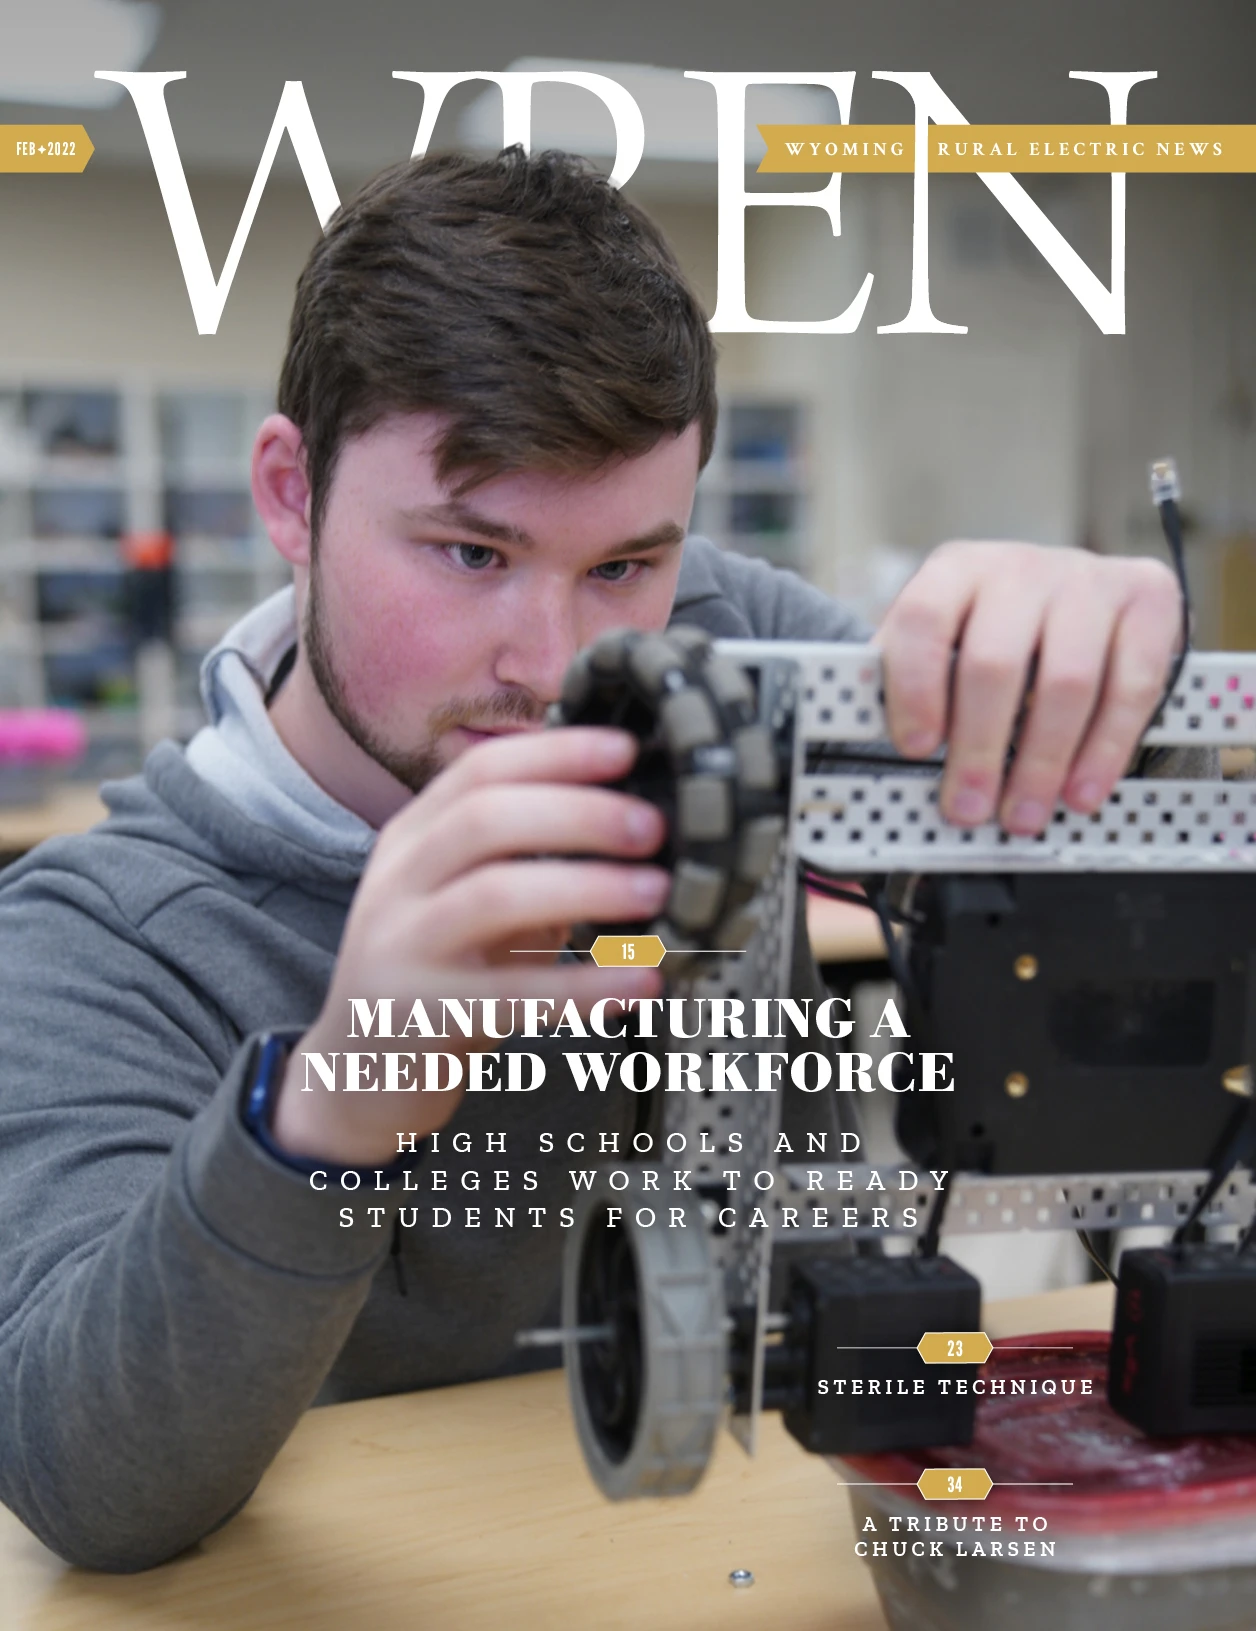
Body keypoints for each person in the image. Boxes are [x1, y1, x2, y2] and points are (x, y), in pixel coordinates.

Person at [0, 148, 1183, 1573]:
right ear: (291, 493)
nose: (557, 667)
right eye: (471, 553)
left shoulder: (714, 644)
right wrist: (337, 1096)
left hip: (797, 1561)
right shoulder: (93, 940)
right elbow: (89, 1482)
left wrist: (1102, 693)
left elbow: (1056, 832)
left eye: (622, 566)